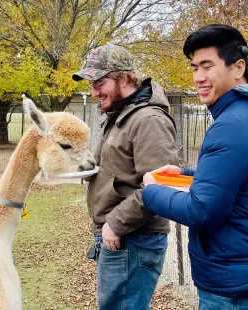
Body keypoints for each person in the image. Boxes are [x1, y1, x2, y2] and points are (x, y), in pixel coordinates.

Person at [141, 24, 248, 309]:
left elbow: (202, 211)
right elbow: (237, 184)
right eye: (194, 68)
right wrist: (184, 176)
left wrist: (150, 191)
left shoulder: (232, 125)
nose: (198, 77)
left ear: (238, 67)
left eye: (207, 66)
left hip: (237, 289)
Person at [71, 44, 178, 309]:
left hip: (134, 239)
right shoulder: (120, 113)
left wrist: (115, 224)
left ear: (123, 78)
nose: (93, 92)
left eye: (100, 83)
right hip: (120, 237)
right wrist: (88, 169)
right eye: (91, 84)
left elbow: (161, 185)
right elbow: (117, 167)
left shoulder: (148, 120)